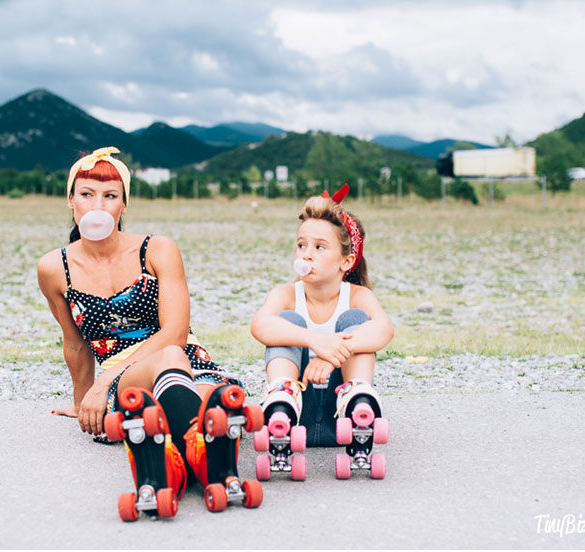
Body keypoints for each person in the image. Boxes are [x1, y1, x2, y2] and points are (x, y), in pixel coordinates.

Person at [36, 146, 261, 518]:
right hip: (124, 381)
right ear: (70, 200)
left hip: (187, 361)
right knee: (184, 390)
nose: (98, 205)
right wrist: (84, 402)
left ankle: (174, 465)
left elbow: (174, 333)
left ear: (124, 205)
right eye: (87, 193)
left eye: (110, 196)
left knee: (213, 403)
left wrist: (102, 381)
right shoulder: (53, 268)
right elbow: (75, 345)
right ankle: (207, 465)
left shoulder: (157, 249)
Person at [250, 185, 393, 479]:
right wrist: (314, 340)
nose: (307, 254)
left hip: (339, 414)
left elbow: (384, 329)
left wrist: (331, 357)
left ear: (346, 260)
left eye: (319, 247)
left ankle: (358, 398)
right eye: (301, 245)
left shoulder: (357, 296)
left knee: (357, 319)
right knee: (286, 320)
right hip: (293, 412)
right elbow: (260, 325)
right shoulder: (286, 294)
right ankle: (281, 396)